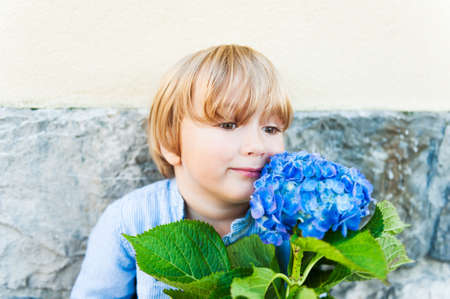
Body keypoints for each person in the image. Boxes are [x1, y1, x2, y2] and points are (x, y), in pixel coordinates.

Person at [71, 44, 294, 298]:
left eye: (271, 129)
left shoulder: (288, 223)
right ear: (171, 141)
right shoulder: (130, 220)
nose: (257, 146)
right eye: (229, 124)